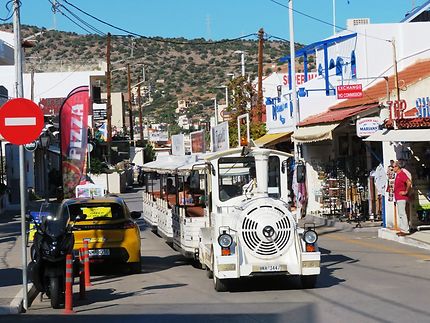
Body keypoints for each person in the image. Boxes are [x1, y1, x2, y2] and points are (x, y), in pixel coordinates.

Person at [393, 160, 412, 236]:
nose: (393, 168)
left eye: (394, 167)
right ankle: (402, 229)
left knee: (402, 213)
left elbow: (409, 182)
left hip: (402, 197)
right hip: (398, 197)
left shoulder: (401, 174)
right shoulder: (397, 175)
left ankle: (405, 230)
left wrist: (406, 191)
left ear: (398, 167)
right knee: (400, 213)